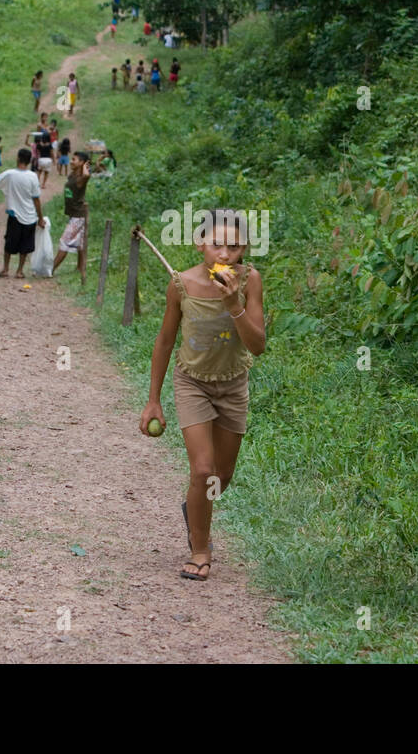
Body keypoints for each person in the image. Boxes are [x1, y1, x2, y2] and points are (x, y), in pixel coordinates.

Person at [139, 209, 266, 581]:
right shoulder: (181, 284)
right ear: (200, 244)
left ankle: (195, 509)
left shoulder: (250, 281)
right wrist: (153, 399)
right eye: (216, 245)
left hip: (232, 383)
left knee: (220, 478)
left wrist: (234, 304)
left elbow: (257, 345)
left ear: (245, 250)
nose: (224, 254)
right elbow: (164, 342)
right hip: (192, 381)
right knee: (203, 470)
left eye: (234, 246)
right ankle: (200, 548)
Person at [0, 148, 45, 279]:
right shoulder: (33, 176)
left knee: (9, 242)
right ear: (29, 161)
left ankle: (5, 269)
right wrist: (40, 218)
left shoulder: (10, 174)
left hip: (14, 215)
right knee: (25, 245)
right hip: (30, 215)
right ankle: (19, 271)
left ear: (18, 158)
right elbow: (36, 199)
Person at [52, 151, 91, 284]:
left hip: (78, 216)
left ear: (81, 163)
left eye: (74, 159)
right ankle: (80, 267)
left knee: (64, 242)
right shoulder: (72, 175)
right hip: (74, 214)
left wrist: (85, 166)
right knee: (80, 243)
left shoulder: (82, 178)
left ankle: (50, 269)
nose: (71, 161)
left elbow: (87, 175)